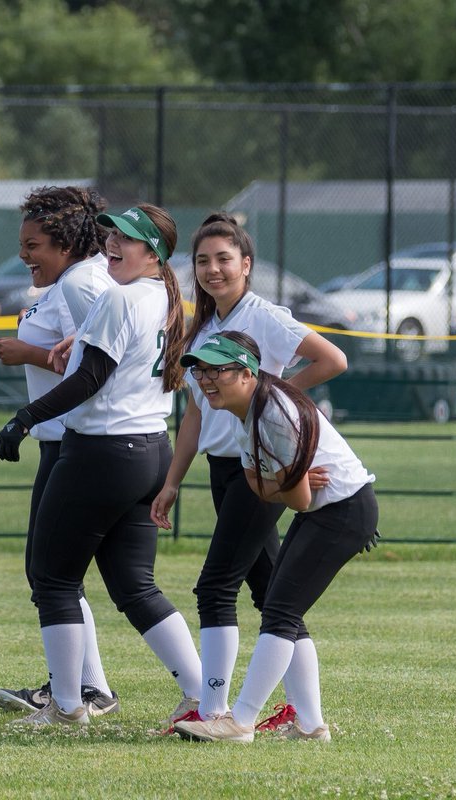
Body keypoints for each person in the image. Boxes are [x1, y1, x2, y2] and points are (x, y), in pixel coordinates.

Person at [0, 204, 203, 726]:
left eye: (128, 239)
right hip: (150, 447)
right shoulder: (163, 297)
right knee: (135, 585)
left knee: (54, 579)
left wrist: (23, 418)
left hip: (102, 451)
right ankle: (202, 695)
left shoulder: (120, 296)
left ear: (153, 252)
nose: (112, 242)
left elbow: (89, 380)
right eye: (111, 233)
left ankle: (67, 706)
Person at [149, 213, 347, 733]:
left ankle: (211, 712)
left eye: (224, 259)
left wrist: (281, 415)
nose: (213, 270)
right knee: (272, 594)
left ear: (246, 265)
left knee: (215, 586)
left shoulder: (265, 316)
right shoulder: (204, 324)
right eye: (203, 261)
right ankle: (310, 722)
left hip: (256, 468)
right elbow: (194, 412)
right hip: (225, 470)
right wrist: (172, 481)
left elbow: (333, 359)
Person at [172, 331, 378, 743]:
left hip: (339, 512)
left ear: (247, 373)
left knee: (279, 613)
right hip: (333, 510)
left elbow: (296, 500)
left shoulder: (272, 414)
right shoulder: (246, 414)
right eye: (200, 370)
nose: (205, 379)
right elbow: (264, 488)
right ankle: (309, 724)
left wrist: (283, 482)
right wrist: (284, 481)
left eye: (218, 370)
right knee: (281, 610)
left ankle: (241, 721)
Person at [0, 186, 120, 717]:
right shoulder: (70, 282)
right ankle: (86, 687)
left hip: (72, 439)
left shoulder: (81, 285)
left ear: (65, 243)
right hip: (60, 439)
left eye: (33, 244)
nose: (24, 256)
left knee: (54, 573)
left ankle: (82, 692)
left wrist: (28, 353)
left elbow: (99, 368)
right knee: (55, 573)